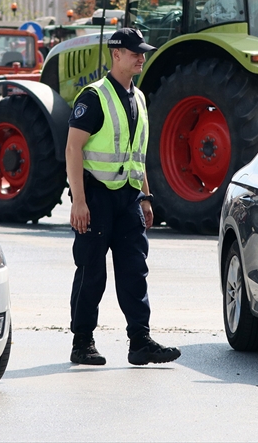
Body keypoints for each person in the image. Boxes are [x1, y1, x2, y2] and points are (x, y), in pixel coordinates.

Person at [66, 27, 181, 367]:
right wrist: (78, 201)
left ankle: (140, 342)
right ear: (116, 55)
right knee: (91, 272)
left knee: (134, 270)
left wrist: (146, 197)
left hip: (129, 198)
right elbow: (73, 148)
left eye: (142, 52)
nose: (141, 58)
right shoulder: (94, 96)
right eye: (135, 53)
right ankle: (82, 342)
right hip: (96, 196)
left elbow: (136, 154)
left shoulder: (138, 97)